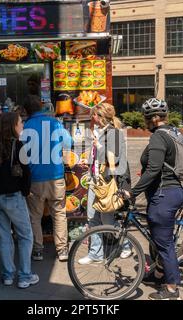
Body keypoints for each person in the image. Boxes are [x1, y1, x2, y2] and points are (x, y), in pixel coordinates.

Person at [125, 98, 183, 300]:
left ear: (154, 118)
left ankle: (172, 289)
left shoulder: (158, 136)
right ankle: (158, 274)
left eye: (146, 117)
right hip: (171, 192)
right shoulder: (176, 133)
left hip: (163, 195)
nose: (145, 121)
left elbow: (154, 169)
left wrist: (133, 191)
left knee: (164, 244)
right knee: (159, 239)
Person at [77, 103, 132, 265]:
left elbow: (112, 158)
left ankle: (127, 244)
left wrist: (98, 145)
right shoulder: (101, 131)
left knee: (107, 220)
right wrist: (88, 163)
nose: (92, 118)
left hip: (107, 182)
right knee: (92, 218)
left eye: (94, 115)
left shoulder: (114, 133)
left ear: (101, 116)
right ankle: (96, 253)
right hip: (96, 180)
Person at [0, 112, 38, 288]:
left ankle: (8, 274)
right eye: (20, 123)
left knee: (3, 236)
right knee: (25, 235)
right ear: (13, 126)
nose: (22, 125)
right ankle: (25, 276)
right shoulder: (19, 145)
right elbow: (26, 172)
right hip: (13, 197)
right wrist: (26, 192)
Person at [22, 95, 72, 262]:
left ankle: (37, 250)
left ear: (26, 111)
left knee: (34, 216)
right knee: (59, 213)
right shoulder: (55, 123)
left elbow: (22, 153)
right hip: (56, 177)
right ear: (41, 107)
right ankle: (62, 250)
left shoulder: (26, 126)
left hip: (35, 179)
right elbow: (69, 143)